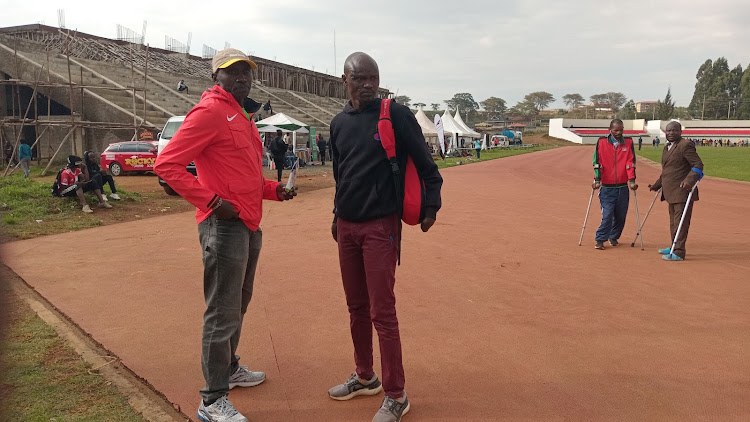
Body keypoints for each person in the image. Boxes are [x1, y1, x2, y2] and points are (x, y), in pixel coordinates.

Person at [154, 48, 297, 422]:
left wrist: (273, 190)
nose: (241, 79)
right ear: (215, 77)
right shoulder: (209, 112)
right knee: (221, 311)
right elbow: (166, 165)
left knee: (238, 304)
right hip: (223, 226)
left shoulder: (243, 116)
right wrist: (214, 202)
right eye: (232, 73)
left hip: (248, 223)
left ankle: (230, 369)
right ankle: (212, 399)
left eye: (246, 73)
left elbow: (243, 177)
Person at [327, 52, 443, 422]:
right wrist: (335, 215)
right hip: (347, 225)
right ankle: (366, 376)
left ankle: (396, 394)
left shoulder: (395, 115)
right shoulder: (338, 123)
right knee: (356, 307)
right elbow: (340, 173)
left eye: (373, 78)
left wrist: (431, 207)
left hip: (380, 226)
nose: (367, 84)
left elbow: (428, 167)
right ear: (344, 80)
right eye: (359, 78)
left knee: (383, 312)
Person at [648, 121, 704, 261]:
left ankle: (679, 251)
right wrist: (656, 185)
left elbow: (698, 164)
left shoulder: (685, 145)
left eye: (674, 130)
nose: (671, 133)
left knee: (681, 222)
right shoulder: (667, 147)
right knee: (674, 221)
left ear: (680, 132)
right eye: (668, 131)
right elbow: (667, 171)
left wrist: (689, 181)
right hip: (670, 191)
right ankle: (673, 245)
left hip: (682, 191)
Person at [591, 119, 637, 250]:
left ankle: (614, 236)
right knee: (608, 214)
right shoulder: (601, 142)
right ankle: (600, 239)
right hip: (606, 188)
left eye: (621, 130)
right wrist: (597, 179)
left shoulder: (628, 142)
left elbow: (631, 162)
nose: (618, 132)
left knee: (621, 216)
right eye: (616, 130)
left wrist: (632, 181)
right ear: (610, 130)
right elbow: (597, 162)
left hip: (622, 187)